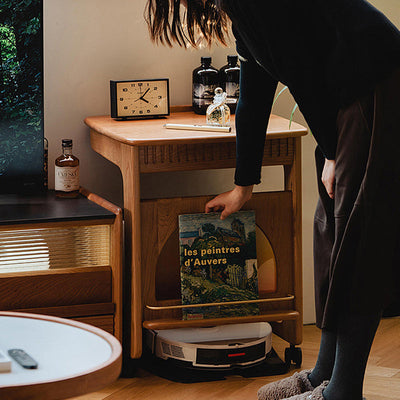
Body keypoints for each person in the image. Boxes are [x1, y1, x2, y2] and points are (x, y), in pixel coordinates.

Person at [146, 1, 400, 399]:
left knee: (356, 238)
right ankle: (322, 378)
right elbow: (253, 99)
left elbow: (303, 72)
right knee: (329, 231)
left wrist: (332, 153)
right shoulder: (243, 15)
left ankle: (343, 391)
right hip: (347, 95)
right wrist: (242, 187)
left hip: (377, 83)